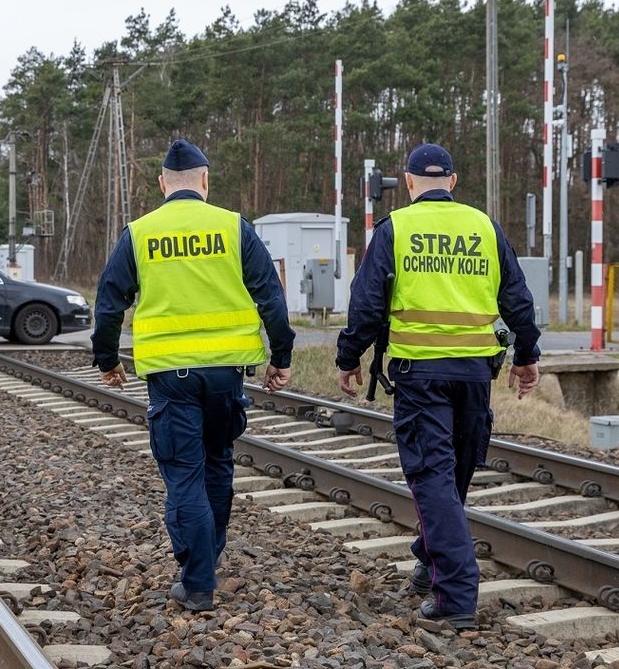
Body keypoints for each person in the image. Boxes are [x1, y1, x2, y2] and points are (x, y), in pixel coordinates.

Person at [336, 143, 541, 630]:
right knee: (454, 475)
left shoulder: (395, 229)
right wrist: (527, 356)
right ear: (453, 181)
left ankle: (455, 597)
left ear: (408, 182)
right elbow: (517, 297)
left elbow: (365, 304)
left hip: (420, 375)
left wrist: (349, 357)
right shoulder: (484, 227)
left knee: (433, 478)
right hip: (473, 375)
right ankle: (431, 562)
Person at [92, 138, 296, 612]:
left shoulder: (140, 233)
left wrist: (107, 360)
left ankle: (198, 578)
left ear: (162, 183)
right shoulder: (233, 227)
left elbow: (110, 303)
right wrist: (281, 357)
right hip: (227, 375)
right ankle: (206, 558)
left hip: (171, 377)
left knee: (185, 476)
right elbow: (271, 297)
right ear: (205, 181)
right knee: (219, 465)